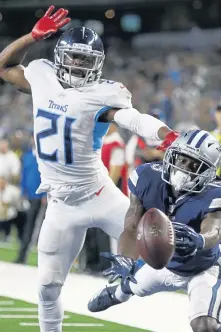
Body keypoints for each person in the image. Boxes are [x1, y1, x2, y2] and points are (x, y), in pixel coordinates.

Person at [0, 6, 178, 332]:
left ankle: (193, 281)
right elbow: (3, 66)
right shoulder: (41, 75)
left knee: (162, 257)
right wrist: (31, 37)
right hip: (61, 205)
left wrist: (164, 134)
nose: (78, 64)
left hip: (99, 194)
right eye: (74, 57)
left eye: (85, 59)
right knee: (46, 287)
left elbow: (131, 118)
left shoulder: (103, 93)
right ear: (59, 55)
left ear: (97, 64)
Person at [88, 129, 221, 332]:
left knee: (205, 326)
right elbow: (132, 228)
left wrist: (200, 240)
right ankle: (119, 292)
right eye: (181, 159)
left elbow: (215, 229)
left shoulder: (215, 192)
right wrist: (125, 258)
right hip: (165, 264)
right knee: (133, 283)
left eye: (194, 164)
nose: (184, 168)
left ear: (208, 171)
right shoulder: (147, 176)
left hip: (204, 267)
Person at [16, 135, 46, 264]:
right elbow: (23, 176)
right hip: (29, 196)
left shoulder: (44, 157)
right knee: (27, 226)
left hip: (41, 197)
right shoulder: (27, 156)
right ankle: (22, 255)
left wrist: (45, 194)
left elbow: (47, 177)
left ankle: (37, 258)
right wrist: (23, 192)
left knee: (39, 227)